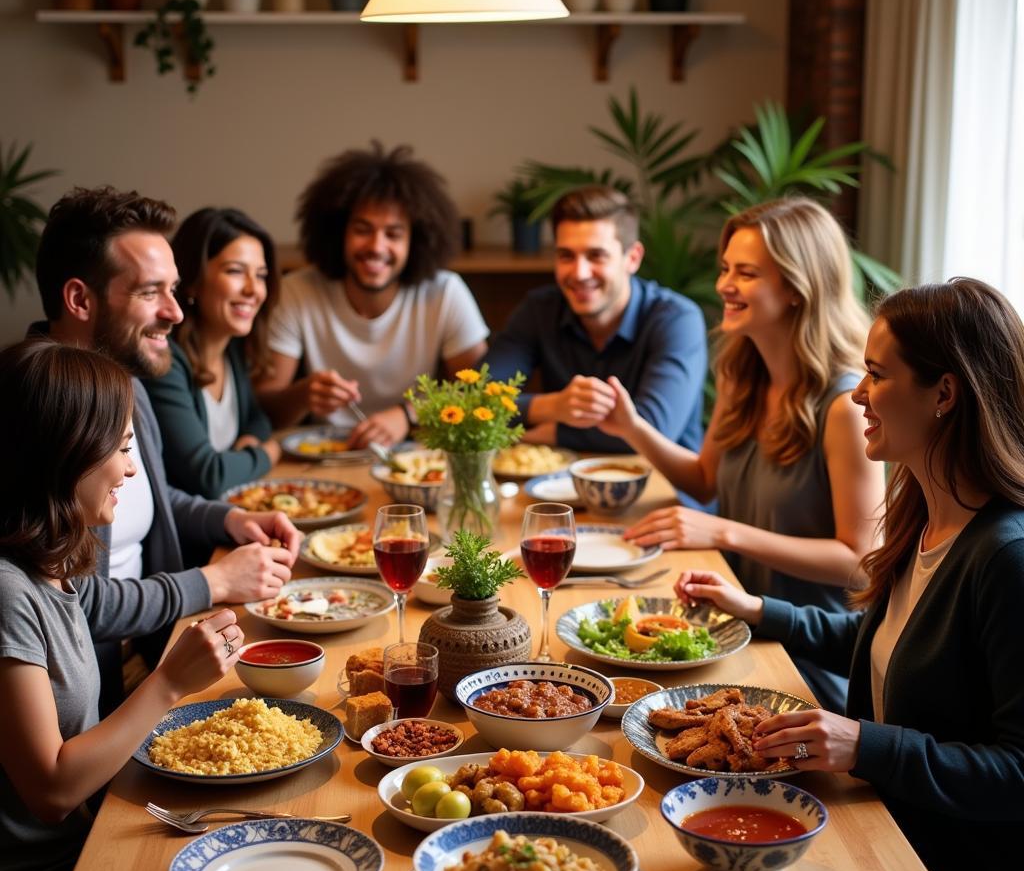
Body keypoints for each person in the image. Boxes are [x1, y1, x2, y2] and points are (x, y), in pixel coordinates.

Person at [675, 278, 1024, 871]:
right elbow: (893, 641)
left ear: (944, 395)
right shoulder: (928, 513)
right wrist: (758, 610)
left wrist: (865, 743)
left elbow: (1018, 773)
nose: (858, 394)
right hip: (882, 822)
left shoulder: (1006, 556)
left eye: (876, 374)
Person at [0, 338, 245, 871]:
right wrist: (168, 684)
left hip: (85, 842)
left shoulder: (53, 566)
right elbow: (51, 790)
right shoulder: (6, 592)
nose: (131, 471)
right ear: (64, 454)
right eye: (122, 449)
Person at [602, 197, 885, 709]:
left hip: (804, 659)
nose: (724, 286)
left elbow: (860, 562)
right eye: (726, 268)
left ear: (798, 288)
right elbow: (706, 479)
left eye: (746, 273)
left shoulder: (845, 404)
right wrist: (632, 427)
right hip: (731, 632)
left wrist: (725, 532)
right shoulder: (742, 373)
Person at [33, 186, 301, 714]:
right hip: (107, 696)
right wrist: (213, 580)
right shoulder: (43, 412)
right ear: (80, 300)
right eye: (150, 292)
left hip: (157, 654)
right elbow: (75, 604)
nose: (176, 313)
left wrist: (230, 520)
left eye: (174, 289)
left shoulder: (124, 383)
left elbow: (155, 496)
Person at [255, 143, 489, 447]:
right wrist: (303, 395)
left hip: (418, 456)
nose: (377, 247)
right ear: (338, 233)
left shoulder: (445, 292)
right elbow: (265, 412)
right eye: (363, 229)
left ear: (416, 241)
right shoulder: (298, 291)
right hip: (324, 457)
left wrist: (408, 415)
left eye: (393, 234)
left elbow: (481, 394)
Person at [483, 185, 707, 456]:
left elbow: (653, 429)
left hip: (662, 488)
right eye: (566, 255)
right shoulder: (539, 310)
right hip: (561, 486)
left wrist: (555, 431)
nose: (579, 273)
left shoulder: (677, 319)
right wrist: (553, 407)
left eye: (596, 255)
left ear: (632, 258)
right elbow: (478, 401)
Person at [142, 207, 282, 498]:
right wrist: (268, 453)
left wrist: (250, 441)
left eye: (261, 275)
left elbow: (259, 419)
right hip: (190, 535)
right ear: (192, 280)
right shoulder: (165, 361)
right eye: (235, 271)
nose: (253, 290)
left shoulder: (231, 347)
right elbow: (208, 475)